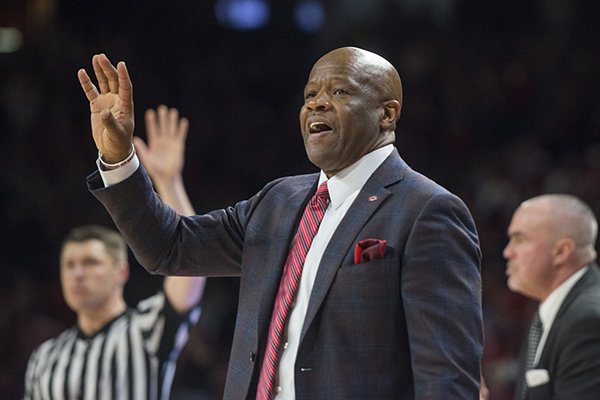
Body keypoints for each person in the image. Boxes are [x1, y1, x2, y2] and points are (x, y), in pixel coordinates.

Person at [77, 47, 483, 399]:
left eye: (338, 91)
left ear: (387, 114)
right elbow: (170, 246)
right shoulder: (278, 201)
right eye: (310, 94)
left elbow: (446, 378)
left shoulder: (428, 210)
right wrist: (118, 157)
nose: (316, 104)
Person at [23, 106, 206, 400]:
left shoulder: (145, 329)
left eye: (90, 262)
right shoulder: (44, 358)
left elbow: (190, 271)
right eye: (69, 265)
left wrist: (169, 183)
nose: (77, 273)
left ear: (121, 271)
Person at [504, 194, 600, 400]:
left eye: (519, 239)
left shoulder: (588, 321)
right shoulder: (557, 309)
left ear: (561, 251)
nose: (508, 252)